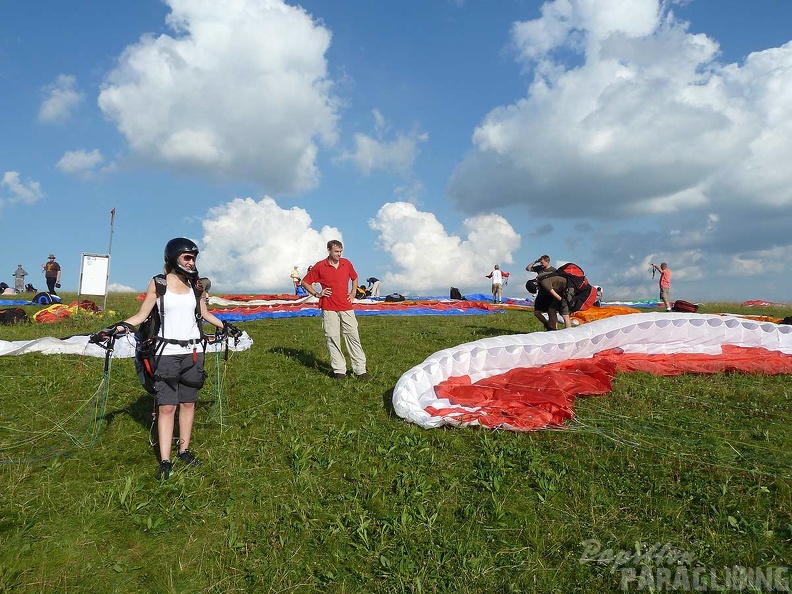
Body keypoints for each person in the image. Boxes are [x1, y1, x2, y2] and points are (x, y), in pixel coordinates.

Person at [90, 238, 240, 480]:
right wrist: (115, 329)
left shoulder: (197, 286)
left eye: (194, 258)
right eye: (187, 257)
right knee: (167, 407)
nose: (191, 262)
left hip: (193, 353)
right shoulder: (158, 284)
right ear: (173, 258)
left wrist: (228, 327)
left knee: (189, 404)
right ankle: (165, 460)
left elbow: (204, 313)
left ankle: (184, 451)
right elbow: (141, 315)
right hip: (166, 354)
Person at [301, 240, 370, 381]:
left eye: (340, 251)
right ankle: (339, 371)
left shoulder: (347, 263)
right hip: (329, 307)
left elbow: (354, 277)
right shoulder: (320, 266)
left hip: (346, 306)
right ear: (329, 251)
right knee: (332, 338)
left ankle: (360, 370)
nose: (339, 254)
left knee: (353, 336)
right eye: (336, 251)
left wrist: (352, 293)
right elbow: (305, 281)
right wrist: (317, 294)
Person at [526, 255, 557, 330]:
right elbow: (528, 268)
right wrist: (535, 261)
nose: (541, 264)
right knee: (537, 312)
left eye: (542, 262)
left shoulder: (554, 270)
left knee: (552, 312)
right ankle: (547, 325)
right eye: (540, 262)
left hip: (550, 293)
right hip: (541, 293)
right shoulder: (539, 268)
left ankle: (554, 329)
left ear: (547, 262)